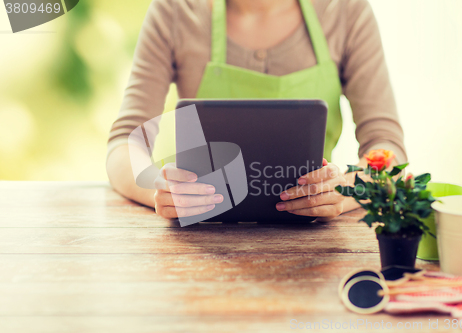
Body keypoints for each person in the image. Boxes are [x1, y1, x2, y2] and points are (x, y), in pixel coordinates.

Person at [107, 0, 407, 221]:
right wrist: (158, 189)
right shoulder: (174, 11)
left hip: (311, 239)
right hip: (204, 240)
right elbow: (125, 143)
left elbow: (387, 146)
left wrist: (347, 189)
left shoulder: (346, 11)